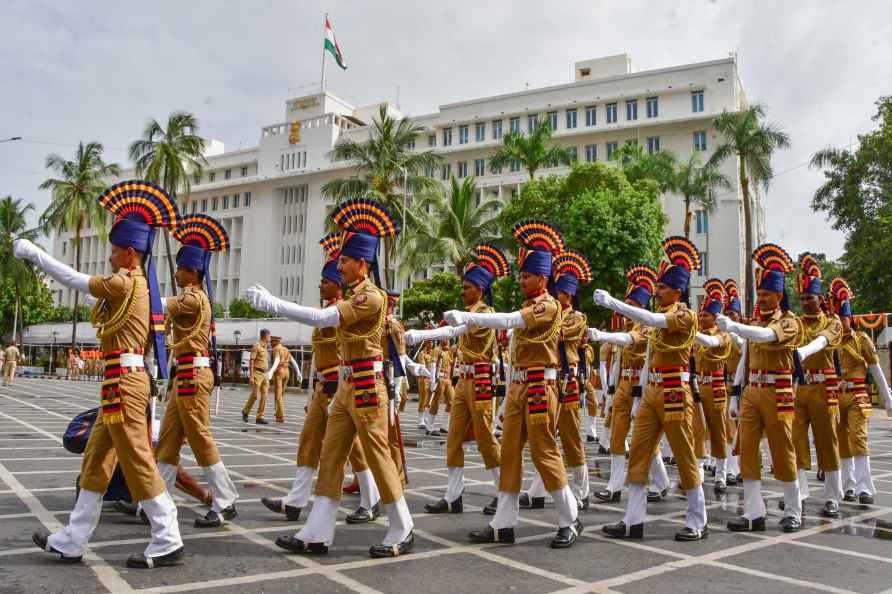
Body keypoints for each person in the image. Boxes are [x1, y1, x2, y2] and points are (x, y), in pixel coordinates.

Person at [16, 179, 184, 567]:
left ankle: (168, 535)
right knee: (96, 459)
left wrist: (36, 254)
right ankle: (74, 537)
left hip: (125, 381)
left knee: (139, 461)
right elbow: (92, 292)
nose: (108, 256)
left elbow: (76, 282)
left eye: (112, 250)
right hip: (118, 381)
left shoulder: (128, 282)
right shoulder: (131, 285)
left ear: (129, 253)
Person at [246, 198, 413, 558]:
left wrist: (274, 304)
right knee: (332, 455)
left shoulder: (372, 298)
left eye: (347, 261)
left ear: (363, 264)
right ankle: (317, 532)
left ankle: (402, 526)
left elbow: (323, 320)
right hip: (348, 385)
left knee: (379, 457)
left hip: (368, 386)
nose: (341, 265)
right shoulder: (356, 294)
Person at [444, 219, 581, 549]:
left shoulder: (547, 306)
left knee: (545, 453)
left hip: (538, 386)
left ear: (543, 278)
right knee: (509, 457)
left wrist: (470, 317)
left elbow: (510, 321)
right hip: (520, 386)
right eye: (521, 275)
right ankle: (503, 523)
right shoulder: (529, 303)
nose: (521, 280)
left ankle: (569, 518)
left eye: (528, 275)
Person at [595, 237, 708, 542]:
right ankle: (633, 520)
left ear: (678, 291)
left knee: (684, 456)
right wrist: (639, 394)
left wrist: (613, 303)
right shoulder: (659, 321)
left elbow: (651, 318)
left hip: (675, 391)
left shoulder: (684, 315)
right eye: (657, 286)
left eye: (662, 287)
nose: (656, 291)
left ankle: (698, 520)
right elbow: (647, 359)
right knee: (639, 455)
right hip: (653, 391)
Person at [406, 243, 509, 516]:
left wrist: (426, 335)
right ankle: (454, 496)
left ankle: (504, 493)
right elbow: (457, 328)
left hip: (481, 380)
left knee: (486, 438)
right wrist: (424, 335)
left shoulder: (486, 313)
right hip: (463, 381)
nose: (462, 291)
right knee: (453, 438)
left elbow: (464, 325)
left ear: (481, 289)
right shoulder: (473, 312)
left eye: (467, 287)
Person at [153, 213, 239, 528]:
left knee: (200, 437)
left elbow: (158, 305)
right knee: (168, 441)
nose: (175, 273)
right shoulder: (191, 296)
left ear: (192, 272)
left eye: (179, 268)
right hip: (185, 373)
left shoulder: (192, 298)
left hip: (193, 374)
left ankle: (225, 499)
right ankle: (156, 500)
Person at [720, 243, 804, 533]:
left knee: (783, 452)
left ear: (779, 296)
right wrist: (735, 393)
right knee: (747, 452)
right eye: (761, 294)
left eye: (767, 294)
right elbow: (745, 358)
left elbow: (767, 337)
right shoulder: (755, 321)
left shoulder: (790, 323)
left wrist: (735, 327)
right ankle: (754, 512)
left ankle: (793, 510)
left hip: (779, 393)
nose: (763, 299)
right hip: (752, 392)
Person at [261, 233, 345, 521]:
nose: (320, 285)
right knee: (308, 440)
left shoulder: (338, 311)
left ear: (338, 284)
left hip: (339, 386)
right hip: (323, 386)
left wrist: (274, 303)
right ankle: (295, 500)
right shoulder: (326, 309)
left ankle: (372, 500)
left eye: (326, 280)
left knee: (356, 450)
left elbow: (318, 319)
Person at [519, 250, 593, 510]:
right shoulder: (549, 309)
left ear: (568, 295)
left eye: (558, 292)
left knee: (571, 437)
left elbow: (558, 332)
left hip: (567, 380)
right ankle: (536, 490)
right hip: (550, 377)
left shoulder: (576, 318)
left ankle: (582, 491)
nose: (554, 294)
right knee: (545, 438)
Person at [587, 264, 662, 504]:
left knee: (646, 439)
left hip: (642, 389)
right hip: (623, 387)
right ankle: (614, 486)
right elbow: (618, 360)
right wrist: (610, 389)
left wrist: (603, 336)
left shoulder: (648, 327)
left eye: (632, 305)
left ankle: (661, 482)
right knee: (617, 437)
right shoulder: (628, 326)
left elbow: (628, 340)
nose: (626, 311)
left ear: (640, 308)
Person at [789, 255, 844, 518]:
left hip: (824, 389)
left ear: (819, 298)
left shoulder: (832, 322)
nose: (805, 303)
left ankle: (833, 496)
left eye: (809, 298)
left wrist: (804, 350)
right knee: (795, 440)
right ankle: (799, 493)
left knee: (827, 442)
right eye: (801, 299)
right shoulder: (797, 323)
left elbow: (823, 342)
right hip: (800, 388)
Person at [831, 278, 892, 504]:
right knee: (841, 442)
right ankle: (848, 486)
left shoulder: (861, 339)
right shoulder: (830, 341)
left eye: (843, 317)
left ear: (850, 318)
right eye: (837, 317)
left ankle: (865, 487)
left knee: (859, 438)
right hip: (836, 396)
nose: (840, 321)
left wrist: (887, 398)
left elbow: (876, 370)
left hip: (857, 395)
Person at [692, 279, 732, 493]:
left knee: (718, 431)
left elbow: (711, 344)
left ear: (715, 318)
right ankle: (697, 470)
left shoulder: (722, 335)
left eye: (705, 315)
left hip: (716, 387)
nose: (701, 318)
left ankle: (721, 474)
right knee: (697, 429)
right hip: (699, 386)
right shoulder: (697, 336)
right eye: (700, 315)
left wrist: (690, 332)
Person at [268, 336, 302, 422]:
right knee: (281, 395)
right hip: (287, 372)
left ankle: (280, 416)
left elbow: (277, 360)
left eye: (272, 342)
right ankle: (278, 413)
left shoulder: (276, 348)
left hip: (279, 372)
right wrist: (298, 372)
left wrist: (271, 371)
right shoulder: (286, 349)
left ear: (276, 342)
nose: (271, 344)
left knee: (278, 395)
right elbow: (293, 361)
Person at [242, 329, 271, 424]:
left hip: (265, 374)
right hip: (257, 373)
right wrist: (251, 376)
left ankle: (260, 417)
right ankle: (245, 411)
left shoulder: (266, 347)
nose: (270, 338)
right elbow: (251, 361)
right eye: (269, 336)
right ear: (265, 336)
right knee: (254, 395)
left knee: (264, 396)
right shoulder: (256, 346)